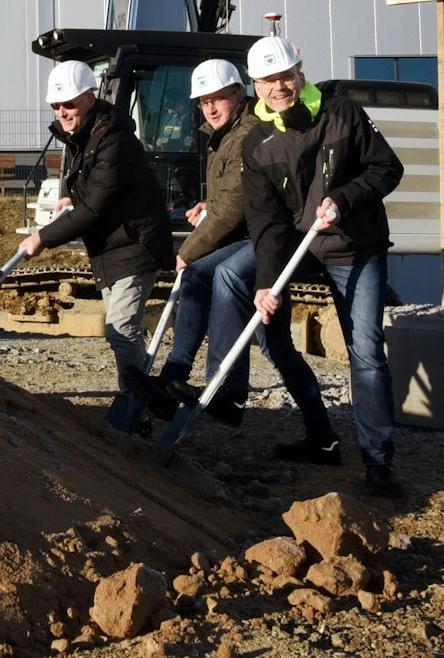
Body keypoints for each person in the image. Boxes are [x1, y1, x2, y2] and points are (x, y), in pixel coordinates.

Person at [137, 57, 344, 467]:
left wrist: (188, 248)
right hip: (254, 236)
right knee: (275, 343)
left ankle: (227, 390)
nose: (211, 108)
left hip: (276, 238)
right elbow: (232, 198)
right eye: (204, 102)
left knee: (223, 276)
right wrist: (207, 207)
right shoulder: (226, 134)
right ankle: (323, 438)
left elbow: (236, 205)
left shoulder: (247, 130)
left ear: (238, 95)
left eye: (218, 99)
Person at [242, 35, 407, 498]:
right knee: (265, 327)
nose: (279, 86)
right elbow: (267, 223)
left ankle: (378, 460)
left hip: (356, 248)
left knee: (367, 351)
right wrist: (266, 283)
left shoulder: (343, 113)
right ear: (256, 85)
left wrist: (344, 199)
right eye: (268, 80)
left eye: (285, 75)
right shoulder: (257, 143)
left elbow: (386, 169)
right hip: (301, 249)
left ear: (300, 72)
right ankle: (321, 435)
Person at [16, 60, 172, 413]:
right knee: (121, 331)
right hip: (110, 247)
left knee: (121, 329)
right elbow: (85, 189)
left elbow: (95, 208)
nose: (62, 112)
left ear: (89, 97)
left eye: (68, 104)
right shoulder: (80, 135)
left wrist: (42, 238)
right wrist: (70, 194)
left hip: (136, 244)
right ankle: (143, 396)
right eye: (56, 106)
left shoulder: (115, 140)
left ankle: (138, 406)